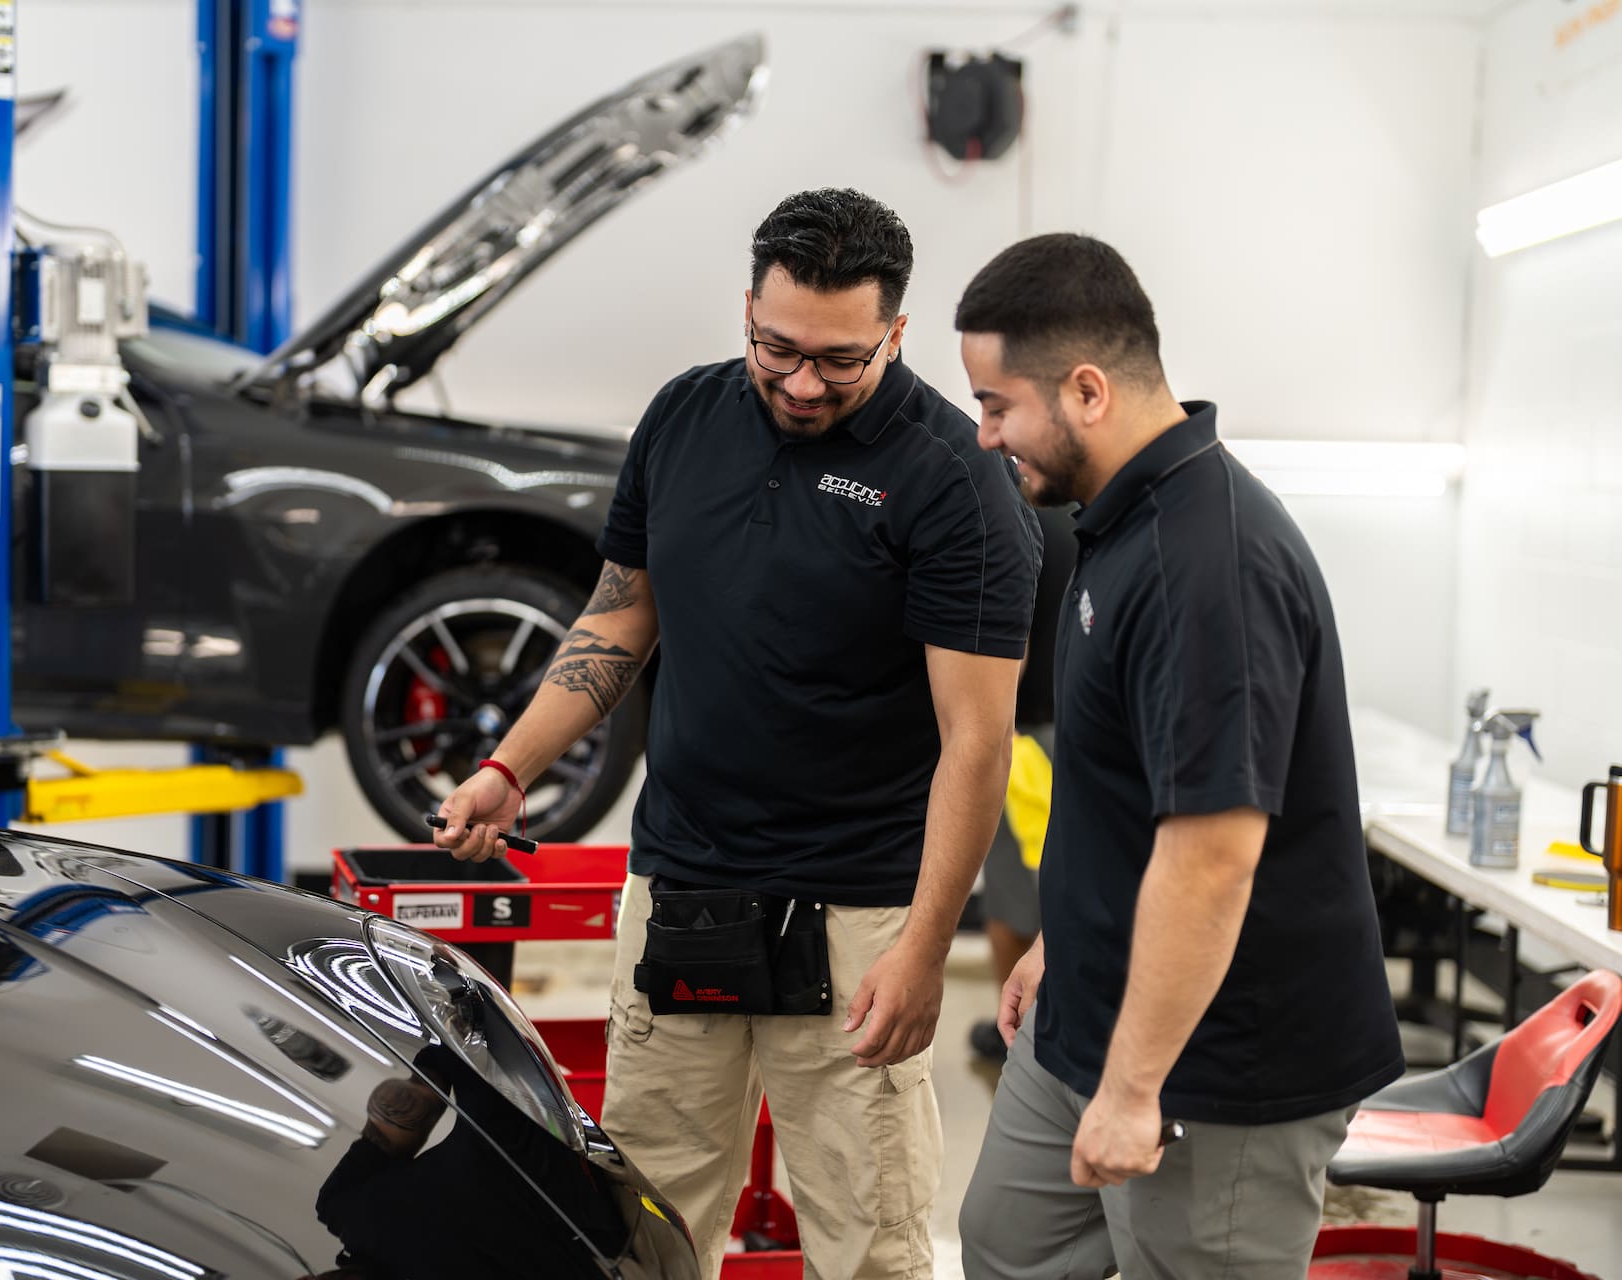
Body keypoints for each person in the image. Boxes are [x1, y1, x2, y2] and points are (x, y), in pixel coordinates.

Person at [433, 187, 1040, 1278]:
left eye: (841, 360)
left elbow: (977, 742)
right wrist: (509, 764)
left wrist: (923, 948)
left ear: (896, 333)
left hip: (859, 916)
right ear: (748, 310)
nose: (804, 381)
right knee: (639, 1235)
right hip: (683, 892)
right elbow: (621, 612)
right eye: (778, 347)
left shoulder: (955, 482)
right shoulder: (682, 418)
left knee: (868, 1245)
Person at [951, 233, 1404, 1280]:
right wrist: (1068, 938)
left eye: (997, 405)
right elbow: (1126, 789)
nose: (983, 435)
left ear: (1088, 391)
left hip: (1216, 1063)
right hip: (1090, 1013)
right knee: (1005, 1246)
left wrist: (1132, 1086)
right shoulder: (1120, 521)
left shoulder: (1214, 566)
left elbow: (1211, 859)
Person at [968, 501, 1076, 1061]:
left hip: (1028, 740)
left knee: (1014, 896)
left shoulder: (1015, 520)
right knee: (1062, 883)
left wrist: (977, 742)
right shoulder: (1090, 517)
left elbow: (1013, 647)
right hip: (1079, 732)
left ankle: (1017, 1029)